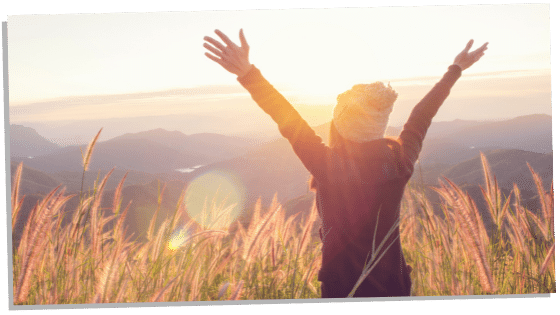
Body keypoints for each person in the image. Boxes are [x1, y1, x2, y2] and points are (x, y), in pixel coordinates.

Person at [203, 29, 488, 298]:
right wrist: (455, 69)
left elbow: (287, 118)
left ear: (339, 125)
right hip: (395, 285)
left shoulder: (327, 166)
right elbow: (421, 116)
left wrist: (248, 73)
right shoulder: (400, 162)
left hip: (342, 289)